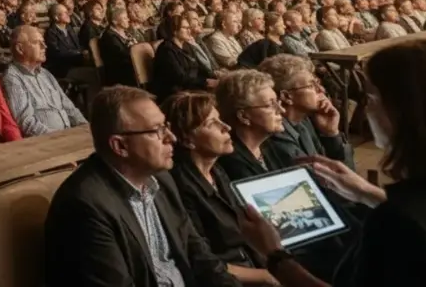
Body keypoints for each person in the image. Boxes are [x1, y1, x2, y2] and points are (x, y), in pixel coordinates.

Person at [238, 40, 426, 287]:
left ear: (399, 111)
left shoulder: (394, 222)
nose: (366, 108)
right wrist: (367, 192)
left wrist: (275, 257)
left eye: (371, 99)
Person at [44, 86, 240, 287]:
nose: (171, 137)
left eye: (166, 126)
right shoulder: (85, 205)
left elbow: (199, 254)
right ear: (120, 146)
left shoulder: (162, 179)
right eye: (157, 130)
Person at [162, 91, 277, 286]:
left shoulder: (217, 170)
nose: (227, 127)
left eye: (220, 120)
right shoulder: (181, 187)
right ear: (187, 140)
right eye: (212, 124)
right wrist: (266, 276)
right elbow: (202, 262)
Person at [258, 54, 352, 170]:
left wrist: (331, 134)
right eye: (311, 85)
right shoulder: (277, 136)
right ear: (286, 96)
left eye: (318, 82)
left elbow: (345, 173)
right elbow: (323, 177)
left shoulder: (307, 119)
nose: (321, 89)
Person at [1, 25, 87, 137]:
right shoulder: (12, 78)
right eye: (37, 43)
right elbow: (26, 122)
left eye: (43, 42)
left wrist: (86, 128)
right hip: (48, 141)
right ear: (20, 49)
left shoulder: (45, 74)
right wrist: (59, 138)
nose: (44, 46)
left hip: (67, 136)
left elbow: (69, 108)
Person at [214, 70, 284, 181]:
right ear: (243, 116)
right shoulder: (232, 164)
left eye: (277, 102)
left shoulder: (272, 147)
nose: (281, 110)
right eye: (270, 105)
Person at [150, 15, 217, 102]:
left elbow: (197, 67)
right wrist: (205, 82)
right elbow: (180, 78)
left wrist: (212, 77)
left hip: (190, 86)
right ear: (174, 30)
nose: (189, 31)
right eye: (185, 28)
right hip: (175, 93)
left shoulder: (187, 46)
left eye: (189, 28)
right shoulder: (166, 50)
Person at [98, 7, 137, 87]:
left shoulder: (126, 33)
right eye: (124, 18)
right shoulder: (109, 36)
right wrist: (134, 49)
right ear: (115, 21)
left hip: (130, 64)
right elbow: (121, 54)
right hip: (119, 71)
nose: (128, 20)